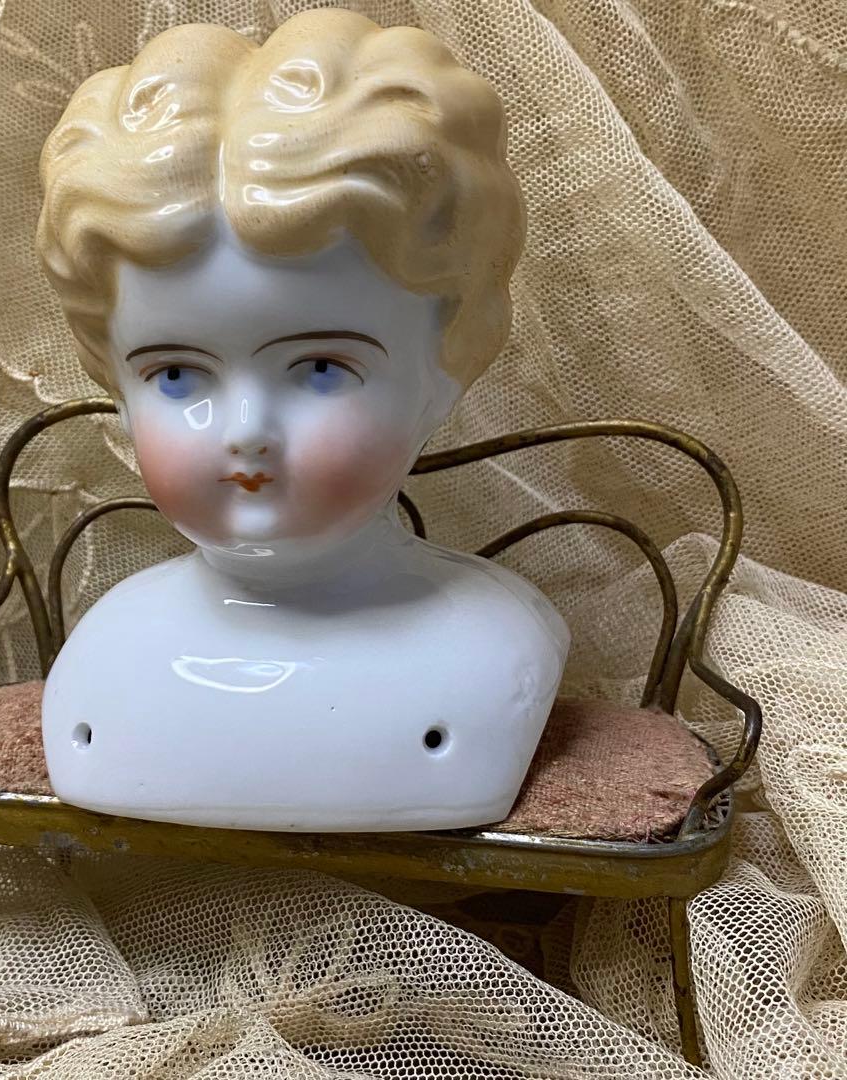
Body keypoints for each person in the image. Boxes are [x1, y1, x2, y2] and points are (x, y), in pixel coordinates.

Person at [36, 8, 569, 831]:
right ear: (117, 385)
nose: (246, 429)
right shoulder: (108, 660)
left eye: (320, 369)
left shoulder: (493, 651)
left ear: (447, 365)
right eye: (176, 375)